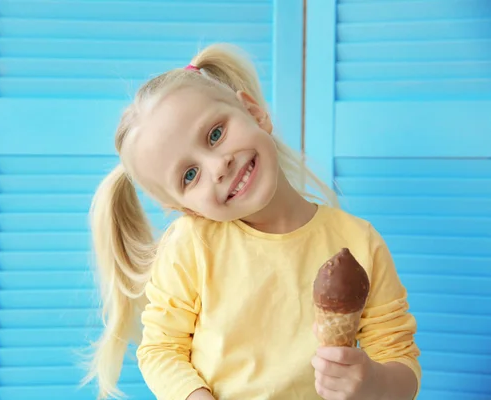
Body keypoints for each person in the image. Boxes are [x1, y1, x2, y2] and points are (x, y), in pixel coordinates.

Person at [82, 43, 421, 400]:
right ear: (186, 208)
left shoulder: (359, 242)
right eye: (190, 175)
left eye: (215, 134)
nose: (218, 167)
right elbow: (160, 350)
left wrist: (373, 384)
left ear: (255, 112)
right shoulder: (191, 247)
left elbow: (399, 359)